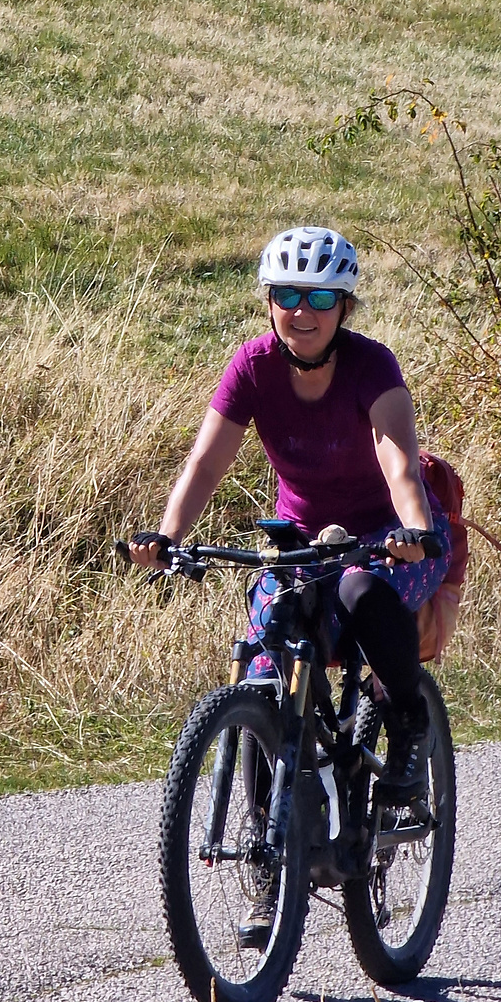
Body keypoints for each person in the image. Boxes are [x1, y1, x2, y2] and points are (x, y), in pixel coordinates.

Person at [127, 226, 450, 939]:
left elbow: (399, 462)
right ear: (269, 302)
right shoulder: (253, 367)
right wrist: (169, 535)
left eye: (319, 298)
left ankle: (405, 725)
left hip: (391, 537)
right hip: (302, 547)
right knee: (265, 680)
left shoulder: (373, 367)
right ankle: (274, 875)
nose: (301, 312)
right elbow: (205, 464)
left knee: (364, 594)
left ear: (344, 307)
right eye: (287, 296)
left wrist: (410, 529)